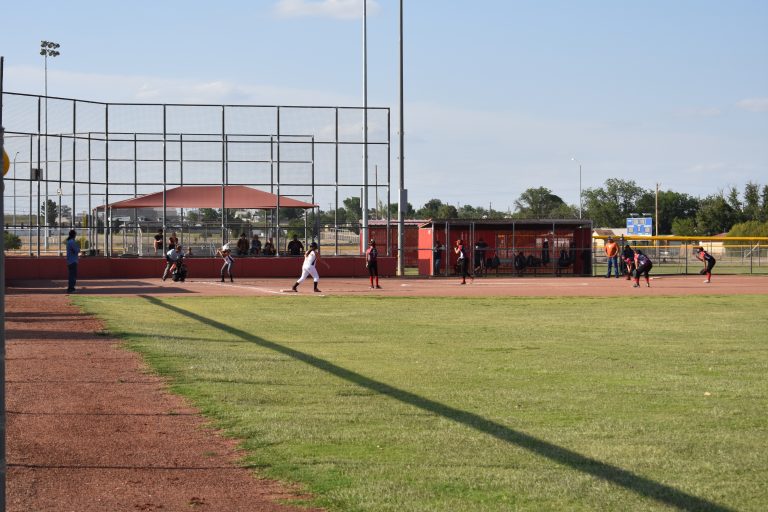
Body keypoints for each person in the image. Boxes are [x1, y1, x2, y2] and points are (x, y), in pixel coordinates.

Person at [65, 229, 80, 293]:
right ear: (74, 235)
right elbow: (77, 250)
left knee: (71, 275)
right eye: (75, 235)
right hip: (73, 261)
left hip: (70, 260)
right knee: (73, 275)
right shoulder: (72, 242)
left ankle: (70, 288)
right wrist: (78, 247)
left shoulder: (69, 241)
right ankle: (71, 289)